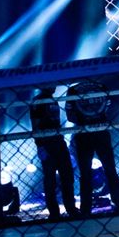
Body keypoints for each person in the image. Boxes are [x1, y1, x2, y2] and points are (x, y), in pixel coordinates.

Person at [66, 81, 119, 215]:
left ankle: (86, 208)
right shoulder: (101, 86)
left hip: (83, 133)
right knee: (110, 169)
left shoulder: (73, 90)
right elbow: (109, 106)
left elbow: (69, 115)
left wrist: (83, 120)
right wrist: (97, 118)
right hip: (100, 130)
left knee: (85, 172)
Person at [30, 86, 80, 220]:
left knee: (66, 176)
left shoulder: (52, 100)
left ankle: (70, 208)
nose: (54, 86)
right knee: (50, 179)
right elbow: (35, 124)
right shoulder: (38, 101)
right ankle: (54, 212)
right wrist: (40, 146)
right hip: (47, 143)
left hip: (58, 141)